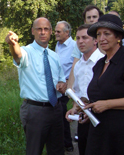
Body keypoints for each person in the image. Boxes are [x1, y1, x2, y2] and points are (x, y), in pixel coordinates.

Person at [84, 14, 124, 155]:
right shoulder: (100, 64)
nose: (101, 38)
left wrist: (107, 104)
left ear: (118, 37)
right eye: (99, 34)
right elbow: (101, 94)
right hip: (101, 132)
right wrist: (87, 108)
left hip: (123, 134)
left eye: (107, 34)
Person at [5, 17, 67, 155]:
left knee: (57, 150)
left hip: (56, 109)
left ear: (51, 31)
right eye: (39, 29)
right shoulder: (27, 51)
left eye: (46, 29)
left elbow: (62, 80)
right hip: (35, 111)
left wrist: (62, 85)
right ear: (33, 31)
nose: (42, 32)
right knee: (34, 151)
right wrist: (13, 43)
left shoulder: (54, 56)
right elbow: (18, 55)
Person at [65, 24, 104, 155]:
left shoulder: (104, 62)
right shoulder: (78, 66)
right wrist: (74, 109)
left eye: (85, 37)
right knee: (84, 149)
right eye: (78, 38)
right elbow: (79, 94)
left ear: (95, 40)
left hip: (103, 118)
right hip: (84, 119)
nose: (80, 41)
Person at [54, 21, 75, 152]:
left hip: (68, 85)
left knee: (62, 113)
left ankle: (67, 144)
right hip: (58, 85)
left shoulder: (74, 46)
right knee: (57, 113)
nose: (55, 33)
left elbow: (76, 67)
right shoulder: (58, 45)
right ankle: (60, 141)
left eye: (58, 31)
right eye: (55, 31)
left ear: (67, 33)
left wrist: (68, 83)